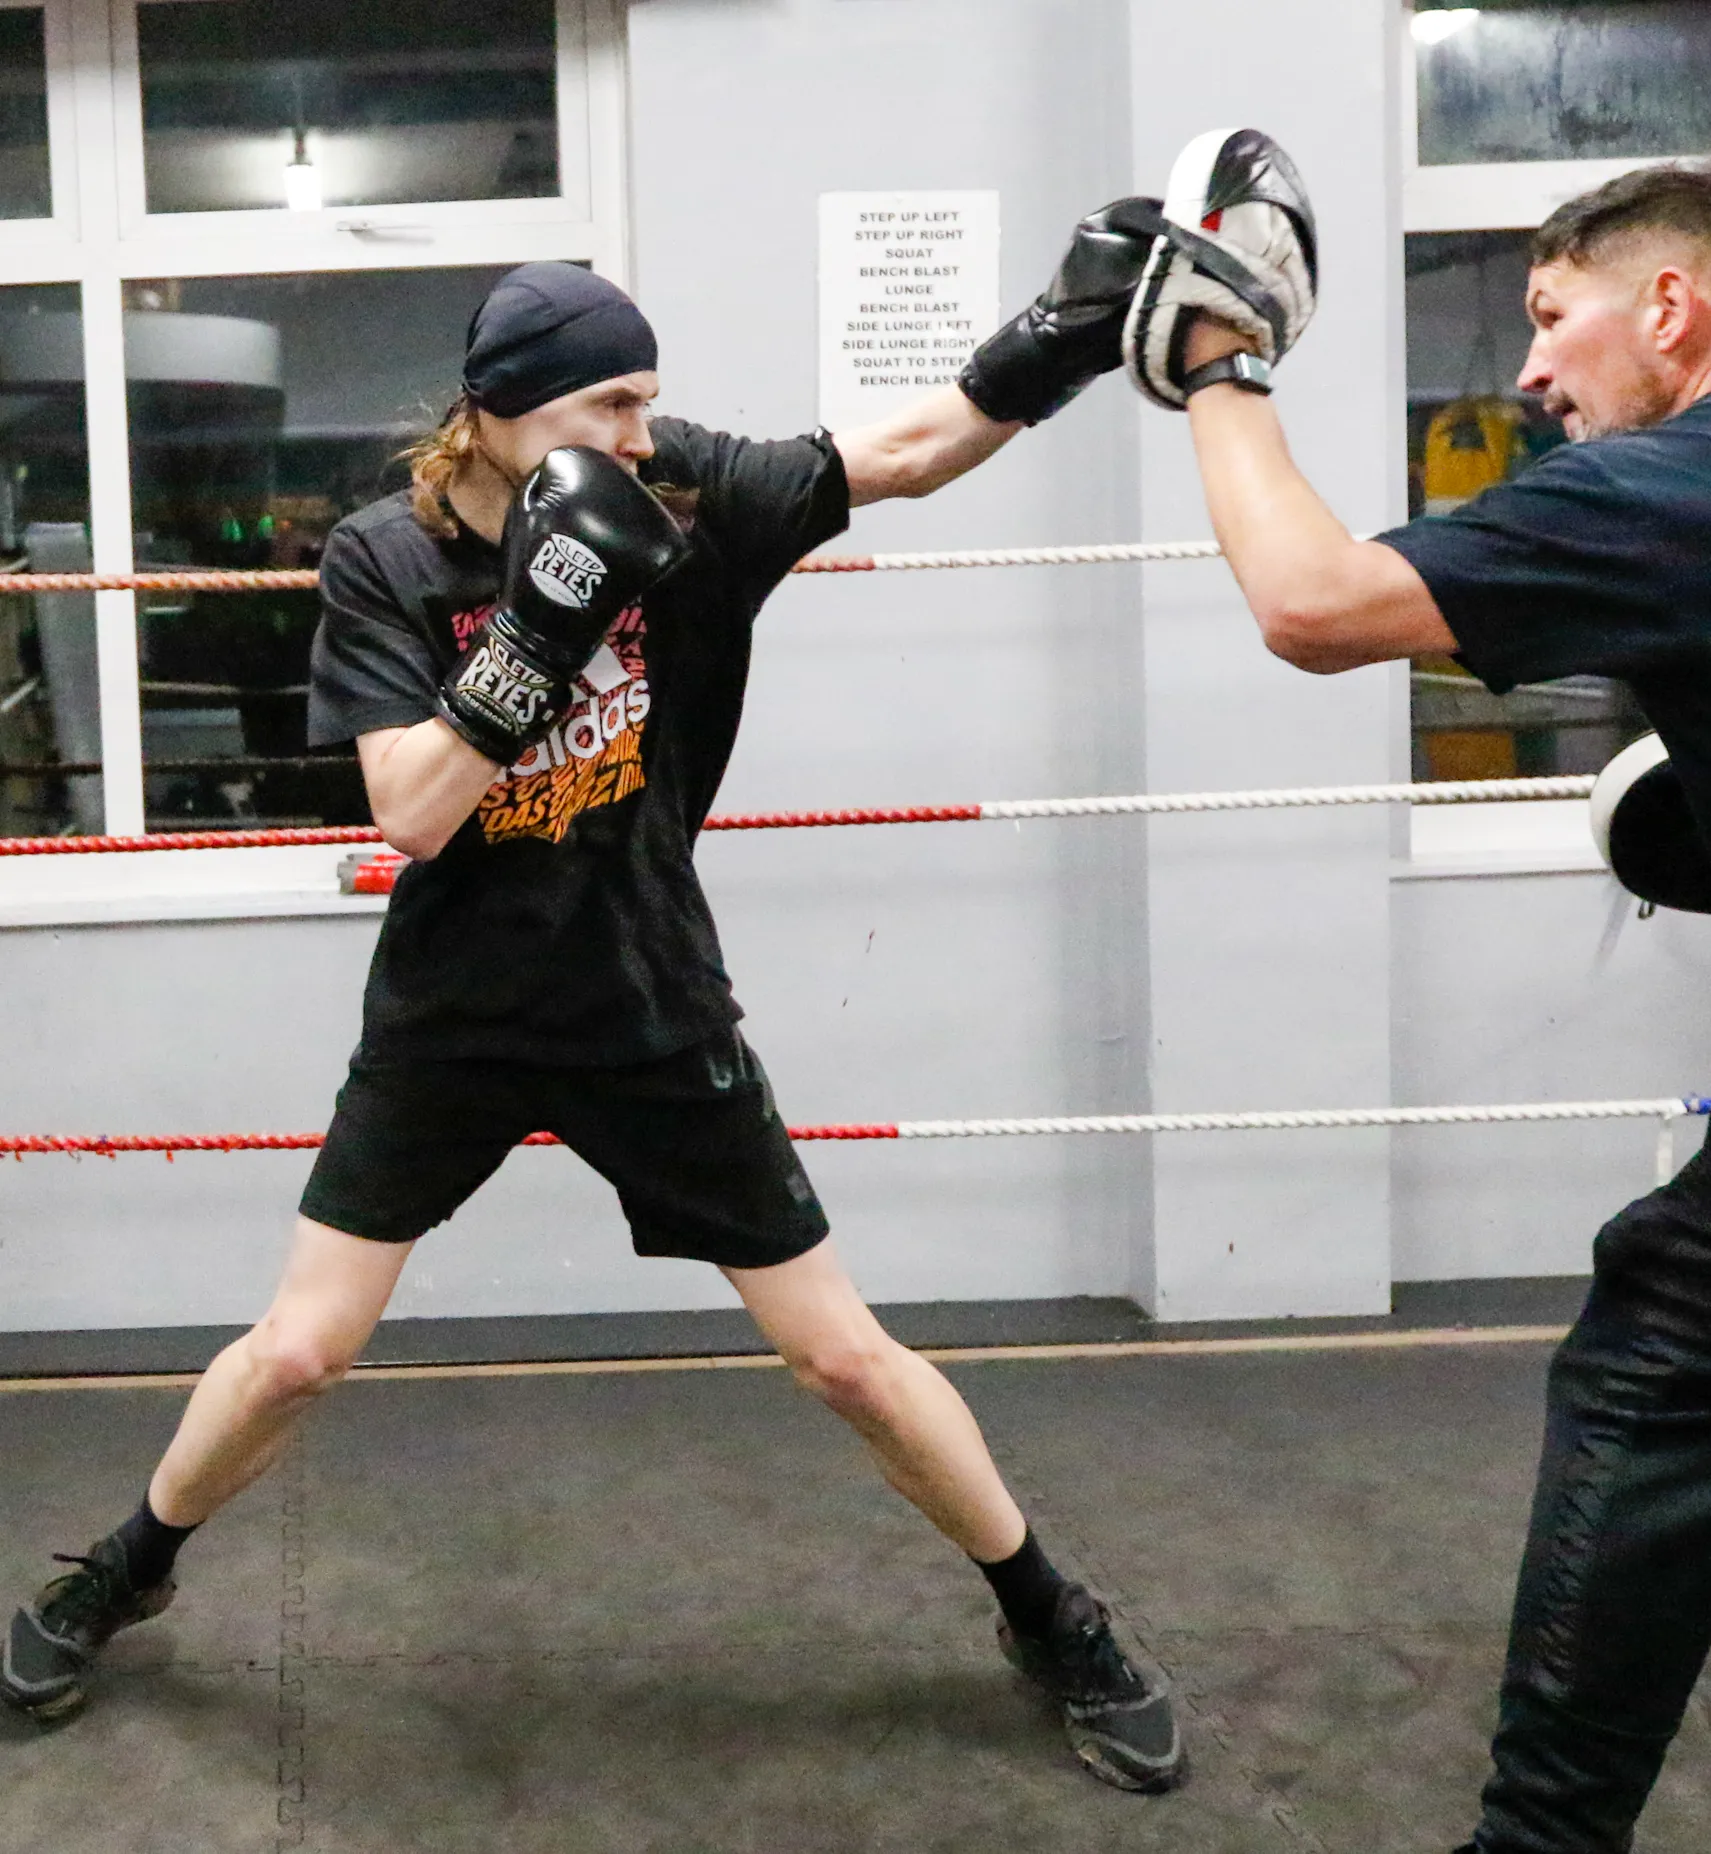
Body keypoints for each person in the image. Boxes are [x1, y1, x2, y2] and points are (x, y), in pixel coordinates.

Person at [4, 242, 1192, 1795]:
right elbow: (414, 812)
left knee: (841, 1357)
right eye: (608, 403)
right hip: (455, 1012)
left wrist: (1072, 332)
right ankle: (127, 1564)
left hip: (645, 991)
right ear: (496, 414)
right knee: (297, 1352)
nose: (641, 433)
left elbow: (912, 448)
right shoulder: (385, 553)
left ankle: (1053, 1619)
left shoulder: (687, 493)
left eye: (649, 397)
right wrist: (541, 634)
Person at [1141, 142, 1711, 1849]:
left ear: (1672, 304)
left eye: (1553, 320)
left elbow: (1313, 605)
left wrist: (1220, 366)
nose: (1534, 369)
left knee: (1650, 1378)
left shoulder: (1691, 481)